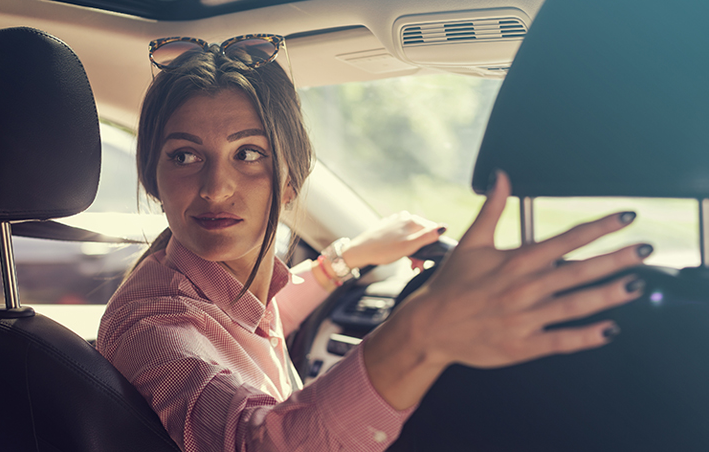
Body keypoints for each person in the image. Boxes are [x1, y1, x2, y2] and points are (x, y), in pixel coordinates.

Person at [96, 37, 651, 452]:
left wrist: (345, 259)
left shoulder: (203, 288)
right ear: (153, 177)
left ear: (292, 179)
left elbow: (249, 326)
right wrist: (420, 332)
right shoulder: (152, 322)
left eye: (249, 153)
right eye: (184, 156)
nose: (216, 187)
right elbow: (256, 441)